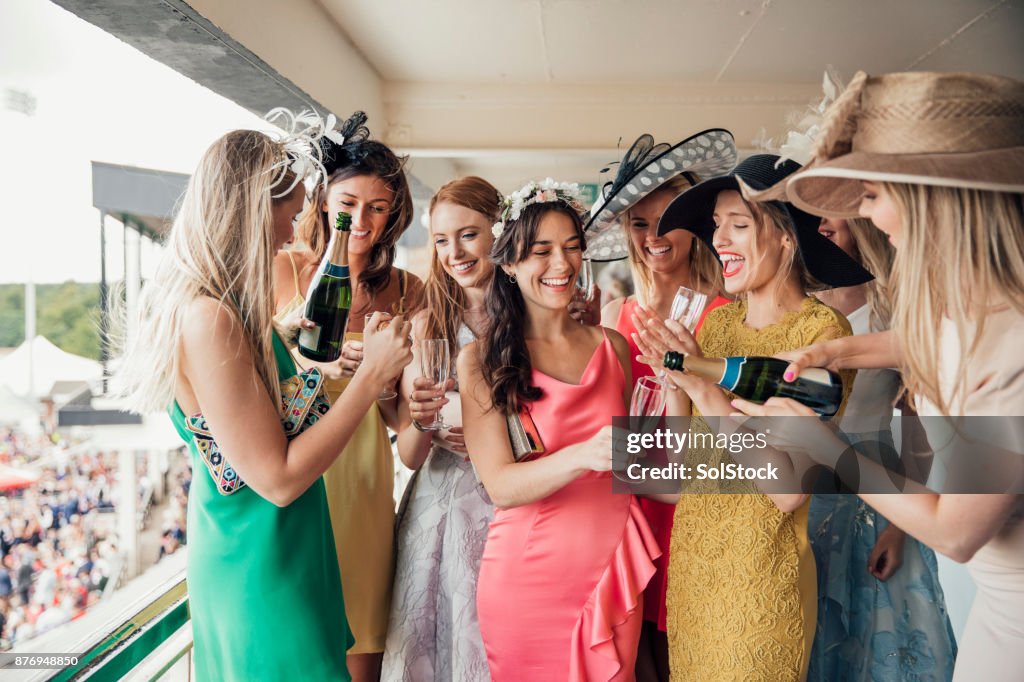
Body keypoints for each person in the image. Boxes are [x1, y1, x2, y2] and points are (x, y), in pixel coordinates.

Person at [735, 70, 1024, 682]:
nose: (868, 216)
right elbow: (926, 342)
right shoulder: (978, 308)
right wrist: (834, 353)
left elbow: (956, 532)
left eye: (870, 194)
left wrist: (825, 449)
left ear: (930, 198)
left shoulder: (1012, 342)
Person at [116, 115, 413, 681]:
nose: (294, 227)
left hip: (289, 545)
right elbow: (276, 478)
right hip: (259, 556)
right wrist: (372, 378)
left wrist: (300, 356)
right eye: (292, 209)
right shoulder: (209, 318)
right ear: (254, 208)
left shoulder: (232, 313)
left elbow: (263, 423)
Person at [632, 153, 872, 681]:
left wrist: (707, 392)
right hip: (696, 571)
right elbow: (688, 467)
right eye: (717, 226)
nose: (719, 240)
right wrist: (672, 381)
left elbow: (788, 490)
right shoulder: (715, 330)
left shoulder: (823, 334)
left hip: (762, 579)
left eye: (738, 225)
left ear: (786, 237)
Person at [459, 180, 659, 681]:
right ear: (509, 263)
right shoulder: (482, 360)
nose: (562, 264)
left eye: (572, 248)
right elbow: (502, 486)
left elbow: (650, 473)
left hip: (611, 573)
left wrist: (677, 390)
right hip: (528, 578)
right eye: (541, 251)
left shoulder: (614, 346)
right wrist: (582, 456)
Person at [274, 112, 423, 682]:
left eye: (377, 207)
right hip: (295, 476)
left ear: (393, 216)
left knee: (362, 653)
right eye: (349, 202)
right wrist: (323, 361)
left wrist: (398, 389)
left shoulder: (409, 291)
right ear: (323, 199)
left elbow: (404, 414)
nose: (360, 219)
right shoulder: (284, 270)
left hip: (364, 479)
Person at [584, 129, 737, 681]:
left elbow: (733, 433)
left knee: (685, 655)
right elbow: (601, 419)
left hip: (693, 507)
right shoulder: (614, 313)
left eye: (667, 219)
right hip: (626, 508)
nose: (654, 237)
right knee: (631, 657)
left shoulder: (727, 316)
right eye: (639, 223)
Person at [809, 217, 957, 681]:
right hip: (806, 497)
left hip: (877, 505)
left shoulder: (896, 309)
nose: (822, 225)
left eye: (835, 215)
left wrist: (898, 528)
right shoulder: (801, 307)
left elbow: (918, 435)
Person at [382, 176, 501, 681]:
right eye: (441, 240)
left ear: (500, 231)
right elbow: (409, 456)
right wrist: (425, 420)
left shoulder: (534, 317)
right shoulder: (427, 324)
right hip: (442, 509)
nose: (455, 252)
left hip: (511, 502)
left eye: (469, 234)